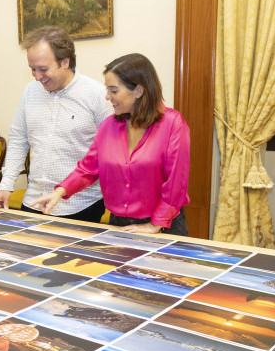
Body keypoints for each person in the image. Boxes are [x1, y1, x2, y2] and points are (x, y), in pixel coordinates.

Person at [32, 53, 190, 235]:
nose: (107, 97)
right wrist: (59, 191)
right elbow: (88, 169)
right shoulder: (108, 126)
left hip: (164, 225)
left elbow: (176, 183)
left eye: (113, 91)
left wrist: (155, 224)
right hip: (119, 224)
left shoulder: (173, 123)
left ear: (138, 91)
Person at [0, 26, 111, 222]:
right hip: (34, 201)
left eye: (43, 69)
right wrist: (6, 186)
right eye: (32, 69)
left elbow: (108, 152)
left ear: (65, 61)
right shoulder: (31, 91)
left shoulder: (97, 95)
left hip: (80, 206)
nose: (37, 77)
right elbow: (19, 139)